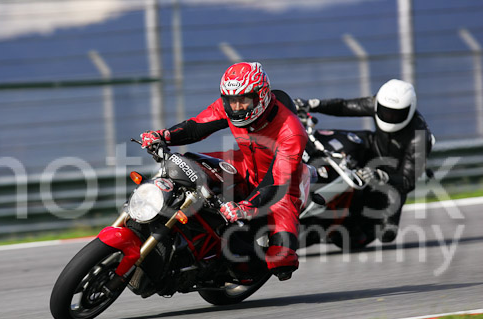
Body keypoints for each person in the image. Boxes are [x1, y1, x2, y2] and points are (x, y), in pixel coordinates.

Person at [140, 62, 308, 281]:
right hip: (244, 166)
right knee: (184, 163)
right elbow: (196, 126)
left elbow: (277, 181)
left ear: (262, 96)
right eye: (231, 100)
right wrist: (164, 136)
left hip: (281, 188)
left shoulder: (291, 131)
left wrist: (245, 207)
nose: (236, 107)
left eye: (243, 100)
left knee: (282, 261)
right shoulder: (230, 105)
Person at [296, 79, 434, 243]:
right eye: (385, 111)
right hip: (372, 145)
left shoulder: (419, 136)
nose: (389, 116)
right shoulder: (377, 102)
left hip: (393, 173)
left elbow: (407, 181)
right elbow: (344, 106)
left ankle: (351, 221)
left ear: (410, 109)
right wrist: (314, 104)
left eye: (396, 113)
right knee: (330, 140)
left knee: (386, 233)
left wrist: (382, 176)